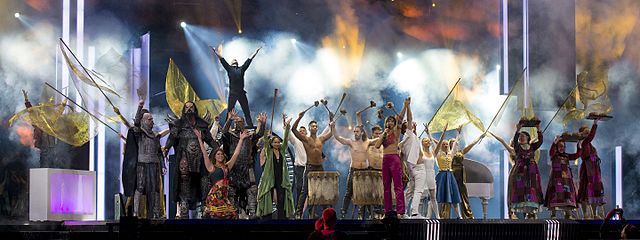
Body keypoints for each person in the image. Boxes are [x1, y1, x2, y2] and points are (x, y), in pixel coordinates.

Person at [164, 101, 217, 219]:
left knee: (203, 182)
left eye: (191, 107)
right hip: (184, 157)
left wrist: (218, 149)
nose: (189, 109)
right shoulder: (178, 124)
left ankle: (205, 209)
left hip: (200, 158)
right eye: (186, 107)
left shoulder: (201, 125)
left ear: (195, 109)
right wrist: (166, 149)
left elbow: (210, 139)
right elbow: (172, 138)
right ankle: (184, 211)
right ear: (184, 110)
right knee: (184, 183)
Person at [120, 98, 168, 219]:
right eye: (150, 119)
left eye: (152, 119)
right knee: (139, 188)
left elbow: (159, 153)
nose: (152, 121)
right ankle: (136, 212)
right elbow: (136, 124)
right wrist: (139, 107)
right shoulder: (139, 133)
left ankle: (156, 213)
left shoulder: (155, 136)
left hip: (154, 165)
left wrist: (163, 165)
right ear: (143, 121)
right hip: (142, 164)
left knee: (155, 189)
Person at [220, 109, 267, 219]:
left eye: (240, 121)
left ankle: (252, 212)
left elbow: (259, 133)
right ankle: (232, 212)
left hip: (247, 166)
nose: (238, 123)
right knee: (231, 188)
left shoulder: (249, 135)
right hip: (234, 167)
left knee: (252, 188)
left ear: (244, 123)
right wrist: (228, 120)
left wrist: (262, 123)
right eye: (236, 122)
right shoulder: (230, 135)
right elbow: (224, 132)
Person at [495, 119, 544, 219]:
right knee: (521, 190)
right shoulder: (518, 148)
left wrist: (538, 130)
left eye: (523, 136)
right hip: (520, 172)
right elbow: (515, 139)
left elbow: (540, 141)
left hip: (531, 172)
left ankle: (531, 212)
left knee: (531, 189)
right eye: (520, 137)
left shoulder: (532, 147)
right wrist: (517, 130)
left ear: (527, 138)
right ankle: (518, 212)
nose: (521, 138)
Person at [331, 117, 378, 219]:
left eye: (357, 131)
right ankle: (343, 212)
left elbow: (379, 139)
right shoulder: (351, 142)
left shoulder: (367, 142)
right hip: (354, 170)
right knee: (349, 192)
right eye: (354, 131)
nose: (355, 133)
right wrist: (333, 128)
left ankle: (366, 213)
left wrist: (388, 131)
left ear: (361, 133)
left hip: (365, 171)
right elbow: (338, 137)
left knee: (366, 193)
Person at [293, 110, 333, 219]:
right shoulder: (305, 139)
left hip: (319, 167)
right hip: (309, 167)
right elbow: (293, 129)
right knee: (305, 191)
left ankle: (327, 213)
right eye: (312, 126)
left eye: (316, 126)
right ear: (309, 128)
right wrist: (299, 117)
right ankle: (298, 213)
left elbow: (331, 133)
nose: (314, 127)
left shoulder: (321, 139)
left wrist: (331, 120)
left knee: (323, 191)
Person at [438, 126, 485, 219]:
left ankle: (467, 215)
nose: (455, 144)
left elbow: (471, 145)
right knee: (448, 195)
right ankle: (444, 215)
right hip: (451, 175)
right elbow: (438, 143)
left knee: (463, 195)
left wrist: (480, 137)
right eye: (452, 143)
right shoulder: (448, 154)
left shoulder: (460, 152)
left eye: (455, 143)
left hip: (460, 176)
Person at [374, 98, 409, 218]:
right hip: (385, 160)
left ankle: (400, 212)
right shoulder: (384, 134)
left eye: (391, 121)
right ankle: (388, 211)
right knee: (386, 186)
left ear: (394, 123)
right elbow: (377, 145)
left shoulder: (396, 131)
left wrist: (405, 106)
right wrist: (383, 133)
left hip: (394, 159)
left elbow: (400, 118)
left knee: (398, 186)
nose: (390, 122)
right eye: (388, 121)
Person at [202, 130, 248, 219]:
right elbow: (204, 153)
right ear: (214, 156)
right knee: (216, 215)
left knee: (230, 215)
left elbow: (236, 154)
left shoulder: (227, 166)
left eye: (222, 154)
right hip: (215, 196)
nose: (220, 156)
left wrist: (241, 140)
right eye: (218, 154)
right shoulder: (211, 167)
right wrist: (200, 139)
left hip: (224, 195)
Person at [257, 114, 295, 219]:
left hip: (281, 179)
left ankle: (282, 218)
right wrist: (266, 133)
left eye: (278, 142)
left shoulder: (282, 151)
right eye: (275, 142)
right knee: (269, 198)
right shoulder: (269, 151)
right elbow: (265, 141)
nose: (277, 144)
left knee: (281, 200)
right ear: (271, 143)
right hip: (270, 179)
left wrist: (287, 126)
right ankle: (267, 218)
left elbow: (286, 139)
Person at [212, 46, 261, 128]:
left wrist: (255, 52)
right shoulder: (229, 68)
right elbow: (221, 59)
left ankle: (251, 127)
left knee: (246, 111)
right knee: (229, 112)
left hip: (241, 93)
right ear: (231, 63)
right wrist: (215, 51)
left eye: (236, 60)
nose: (235, 59)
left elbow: (249, 60)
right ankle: (226, 129)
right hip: (233, 94)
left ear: (237, 63)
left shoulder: (241, 69)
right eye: (233, 60)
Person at [544, 135, 581, 219]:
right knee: (555, 194)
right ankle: (553, 214)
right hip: (556, 178)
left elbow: (577, 155)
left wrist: (579, 146)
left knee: (567, 195)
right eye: (560, 146)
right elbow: (551, 152)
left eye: (563, 146)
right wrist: (555, 142)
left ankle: (568, 213)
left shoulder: (567, 156)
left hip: (566, 179)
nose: (562, 148)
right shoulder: (554, 155)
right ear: (557, 147)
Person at [399, 101, 425, 218]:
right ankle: (414, 213)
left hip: (411, 169)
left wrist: (404, 170)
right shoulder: (408, 135)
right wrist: (408, 106)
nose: (412, 124)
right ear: (407, 128)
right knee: (418, 190)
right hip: (418, 168)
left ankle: (401, 212)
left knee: (409, 192)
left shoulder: (409, 138)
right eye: (410, 125)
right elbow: (410, 119)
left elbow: (401, 156)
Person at [577, 119, 605, 219]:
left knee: (595, 191)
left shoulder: (589, 144)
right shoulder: (583, 142)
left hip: (594, 169)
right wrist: (595, 123)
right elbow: (591, 137)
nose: (588, 133)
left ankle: (595, 214)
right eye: (586, 132)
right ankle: (585, 214)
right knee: (585, 190)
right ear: (581, 133)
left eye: (588, 132)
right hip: (587, 169)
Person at [419, 132, 439, 219]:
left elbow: (439, 144)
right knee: (419, 197)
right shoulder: (421, 153)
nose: (428, 142)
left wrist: (444, 132)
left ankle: (437, 216)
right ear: (422, 143)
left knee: (433, 197)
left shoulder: (433, 153)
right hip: (423, 175)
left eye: (428, 141)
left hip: (431, 175)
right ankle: (416, 215)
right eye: (426, 141)